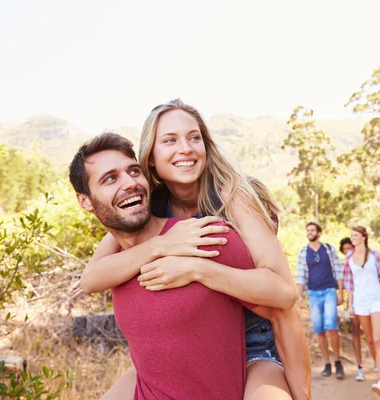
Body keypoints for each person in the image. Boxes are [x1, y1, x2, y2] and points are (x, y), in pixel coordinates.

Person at [81, 100, 311, 399]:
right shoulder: (146, 206)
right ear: (150, 157)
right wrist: (160, 245)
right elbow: (91, 278)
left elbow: (284, 295)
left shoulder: (233, 195)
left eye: (194, 137)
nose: (186, 148)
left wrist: (197, 269)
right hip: (189, 353)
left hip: (252, 343)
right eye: (169, 140)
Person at [69, 133, 260, 399]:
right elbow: (88, 281)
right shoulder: (114, 264)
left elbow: (281, 310)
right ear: (85, 201)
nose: (129, 183)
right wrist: (160, 246)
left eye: (134, 171)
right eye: (110, 178)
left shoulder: (203, 236)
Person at [343, 226, 380, 397]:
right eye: (352, 235)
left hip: (377, 300)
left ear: (364, 237)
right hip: (360, 302)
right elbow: (349, 283)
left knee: (377, 339)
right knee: (369, 339)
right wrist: (350, 305)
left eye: (356, 235)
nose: (353, 238)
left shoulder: (375, 255)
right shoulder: (348, 257)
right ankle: (379, 366)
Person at [296, 222, 345, 379]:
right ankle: (327, 364)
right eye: (308, 230)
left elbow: (338, 270)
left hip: (329, 291)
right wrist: (299, 296)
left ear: (318, 233)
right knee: (319, 330)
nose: (309, 232)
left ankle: (338, 362)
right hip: (313, 294)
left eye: (312, 230)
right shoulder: (304, 252)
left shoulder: (329, 249)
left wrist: (341, 293)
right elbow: (301, 275)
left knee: (332, 327)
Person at [339, 237, 377, 381]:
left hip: (368, 299)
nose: (347, 251)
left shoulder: (366, 260)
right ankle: (360, 367)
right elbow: (345, 283)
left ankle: (376, 361)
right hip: (353, 300)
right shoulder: (346, 265)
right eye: (345, 250)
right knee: (355, 333)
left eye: (350, 248)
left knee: (370, 335)